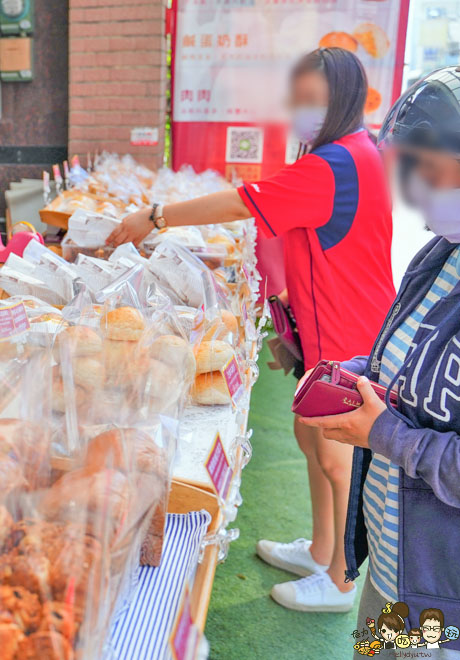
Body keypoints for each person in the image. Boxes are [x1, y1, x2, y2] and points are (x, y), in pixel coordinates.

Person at [109, 47, 395, 612]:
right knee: (311, 436)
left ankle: (340, 579)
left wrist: (157, 216)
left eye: (313, 99)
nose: (300, 109)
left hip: (349, 330)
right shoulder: (349, 154)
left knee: (338, 455)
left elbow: (246, 202)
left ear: (340, 101)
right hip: (329, 327)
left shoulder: (337, 163)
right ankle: (320, 550)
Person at [296, 67, 460, 642]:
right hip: (395, 571)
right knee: (380, 648)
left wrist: (386, 434)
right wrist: (359, 374)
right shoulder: (441, 254)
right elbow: (409, 361)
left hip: (444, 603)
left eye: (431, 171)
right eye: (408, 170)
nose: (416, 189)